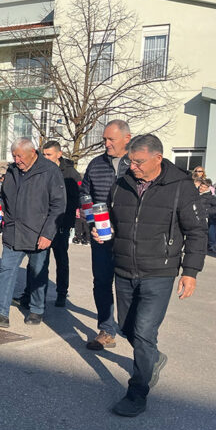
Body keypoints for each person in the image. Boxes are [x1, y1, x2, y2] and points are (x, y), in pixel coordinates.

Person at [94, 134, 206, 417]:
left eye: (139, 162)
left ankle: (136, 393)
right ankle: (153, 358)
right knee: (126, 326)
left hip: (159, 270)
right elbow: (112, 217)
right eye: (130, 161)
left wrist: (190, 272)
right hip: (123, 267)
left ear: (158, 158)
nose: (133, 167)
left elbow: (196, 232)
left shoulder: (181, 187)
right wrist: (101, 233)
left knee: (144, 332)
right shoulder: (122, 184)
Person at [0, 138, 66, 327]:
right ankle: (0, 312)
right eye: (14, 156)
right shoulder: (12, 171)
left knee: (37, 272)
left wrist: (48, 233)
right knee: (6, 270)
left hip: (38, 232)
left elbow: (59, 205)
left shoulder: (50, 171)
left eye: (20, 156)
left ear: (33, 152)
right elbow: (2, 197)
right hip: (13, 230)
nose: (17, 160)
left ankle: (36, 309)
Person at [80, 119, 131, 351]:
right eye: (104, 139)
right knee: (101, 282)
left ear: (127, 139)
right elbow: (85, 195)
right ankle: (107, 329)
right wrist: (92, 222)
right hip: (100, 237)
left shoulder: (137, 164)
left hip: (129, 238)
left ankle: (134, 331)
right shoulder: (96, 164)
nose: (106, 144)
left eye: (111, 139)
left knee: (128, 285)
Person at [14, 141, 80, 309]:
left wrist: (66, 222)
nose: (45, 158)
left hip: (61, 224)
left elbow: (73, 201)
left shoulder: (71, 174)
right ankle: (29, 294)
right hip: (39, 225)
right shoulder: (40, 169)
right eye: (44, 155)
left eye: (49, 155)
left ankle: (61, 293)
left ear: (59, 154)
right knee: (35, 262)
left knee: (61, 260)